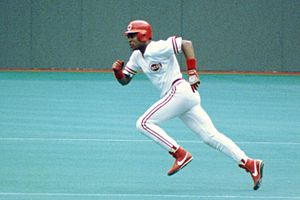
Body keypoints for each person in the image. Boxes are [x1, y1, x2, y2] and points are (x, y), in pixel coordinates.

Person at [112, 20, 264, 190]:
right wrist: (118, 73)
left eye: (132, 35)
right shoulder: (136, 57)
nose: (129, 39)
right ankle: (250, 163)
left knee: (143, 123)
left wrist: (192, 71)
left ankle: (180, 154)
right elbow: (125, 81)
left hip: (179, 91)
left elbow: (186, 44)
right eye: (128, 35)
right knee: (210, 136)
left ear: (143, 35)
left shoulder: (157, 47)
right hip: (180, 97)